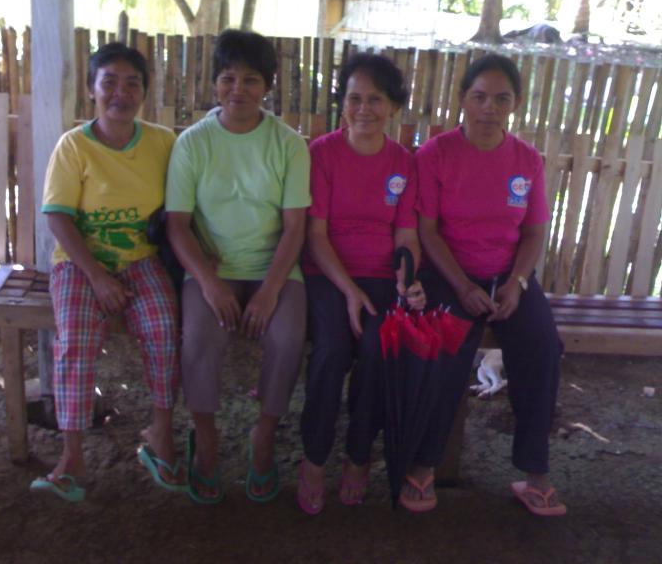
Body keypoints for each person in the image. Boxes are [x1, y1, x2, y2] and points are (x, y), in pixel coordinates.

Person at [407, 54, 566, 516]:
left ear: (516, 104)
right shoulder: (434, 154)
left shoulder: (527, 160)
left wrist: (517, 284)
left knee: (543, 348)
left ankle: (535, 474)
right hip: (449, 276)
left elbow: (533, 233)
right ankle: (423, 465)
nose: (489, 108)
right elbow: (428, 231)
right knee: (444, 350)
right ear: (462, 99)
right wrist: (461, 286)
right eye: (479, 97)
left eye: (501, 99)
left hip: (509, 278)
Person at [30, 43, 183, 502]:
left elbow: (185, 205)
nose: (121, 92)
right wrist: (97, 275)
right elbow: (58, 218)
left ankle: (160, 435)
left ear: (144, 92)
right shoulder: (74, 146)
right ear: (91, 90)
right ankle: (72, 458)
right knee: (75, 339)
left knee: (164, 327)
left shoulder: (163, 143)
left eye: (132, 83)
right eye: (109, 82)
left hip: (140, 259)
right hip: (80, 263)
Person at [166, 29, 310, 505]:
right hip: (212, 267)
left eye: (251, 79)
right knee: (199, 337)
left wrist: (270, 291)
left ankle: (263, 437)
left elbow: (295, 228)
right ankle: (205, 438)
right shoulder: (193, 143)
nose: (238, 89)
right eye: (228, 78)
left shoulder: (288, 144)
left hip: (275, 268)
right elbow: (178, 226)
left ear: (267, 85)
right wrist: (208, 284)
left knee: (288, 337)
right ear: (214, 83)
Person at [297, 53, 425, 515]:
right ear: (342, 103)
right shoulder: (322, 154)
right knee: (332, 348)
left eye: (375, 99)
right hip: (327, 273)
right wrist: (350, 291)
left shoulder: (403, 163)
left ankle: (358, 454)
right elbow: (315, 236)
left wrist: (407, 280)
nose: (363, 109)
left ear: (392, 106)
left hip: (381, 276)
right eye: (354, 98)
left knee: (378, 349)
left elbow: (406, 236)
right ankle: (314, 458)